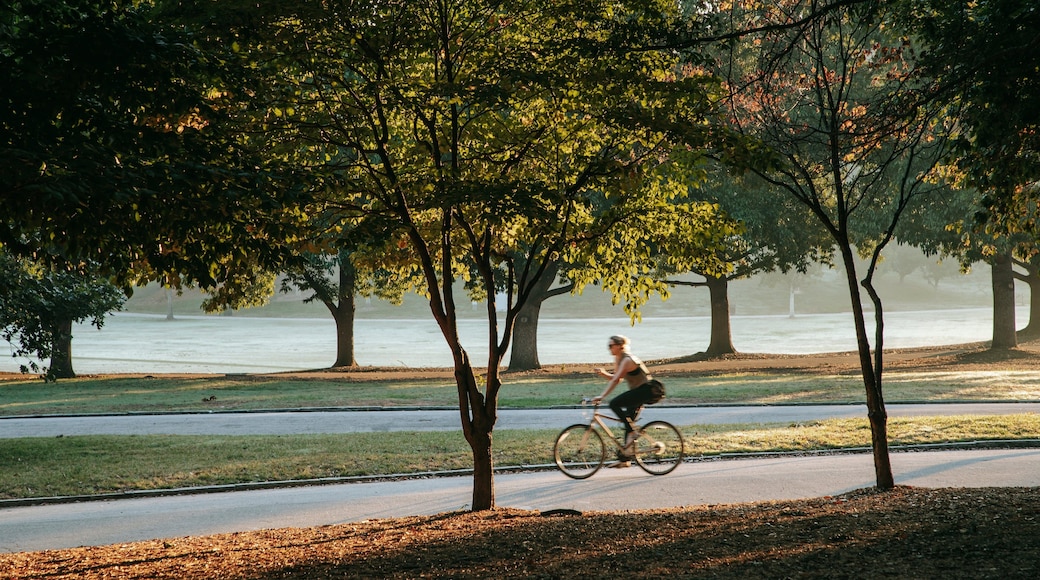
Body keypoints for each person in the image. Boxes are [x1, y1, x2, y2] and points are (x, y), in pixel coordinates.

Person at [591, 335, 656, 468]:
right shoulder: (618, 359)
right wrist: (603, 373)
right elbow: (617, 378)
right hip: (638, 392)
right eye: (608, 346)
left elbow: (615, 380)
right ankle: (624, 460)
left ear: (620, 346)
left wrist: (601, 396)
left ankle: (632, 432)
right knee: (627, 420)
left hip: (645, 390)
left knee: (614, 404)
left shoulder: (627, 359)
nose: (609, 348)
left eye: (611, 346)